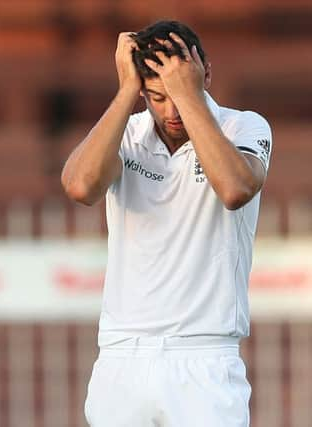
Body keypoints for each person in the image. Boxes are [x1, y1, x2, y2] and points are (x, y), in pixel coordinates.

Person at [61, 20, 271, 427]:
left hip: (205, 356)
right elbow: (80, 186)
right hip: (123, 355)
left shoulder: (243, 125)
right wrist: (126, 90)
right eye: (156, 96)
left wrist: (187, 95)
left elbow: (234, 188)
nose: (170, 112)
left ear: (205, 72)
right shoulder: (127, 132)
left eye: (176, 93)